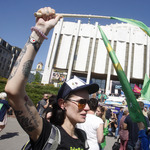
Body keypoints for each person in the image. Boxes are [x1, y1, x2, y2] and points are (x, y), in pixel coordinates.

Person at [5, 7, 99, 149]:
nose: (87, 108)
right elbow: (13, 90)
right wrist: (39, 32)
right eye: (81, 102)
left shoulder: (82, 136)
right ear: (62, 104)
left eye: (88, 102)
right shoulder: (47, 133)